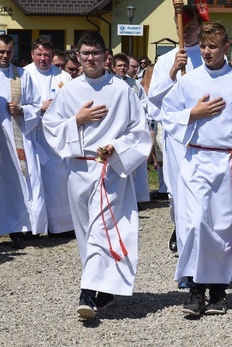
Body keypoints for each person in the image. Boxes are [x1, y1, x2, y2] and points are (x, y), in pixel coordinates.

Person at [162, 22, 232, 316]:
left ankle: (219, 292)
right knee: (195, 224)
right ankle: (195, 290)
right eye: (204, 46)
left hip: (229, 161)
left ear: (226, 49)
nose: (207, 51)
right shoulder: (188, 81)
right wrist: (193, 113)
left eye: (213, 46)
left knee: (224, 228)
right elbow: (167, 115)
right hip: (196, 161)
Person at [43, 31, 151, 319]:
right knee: (86, 233)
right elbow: (50, 126)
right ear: (78, 56)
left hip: (110, 170)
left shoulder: (122, 90)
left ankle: (87, 293)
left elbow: (139, 132)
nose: (90, 58)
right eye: (85, 53)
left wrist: (115, 147)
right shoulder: (69, 91)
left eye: (95, 53)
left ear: (106, 56)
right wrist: (77, 120)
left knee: (103, 230)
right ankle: (104, 291)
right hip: (78, 170)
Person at [147, 5, 204, 254]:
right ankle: (180, 229)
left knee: (200, 186)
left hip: (202, 133)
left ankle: (200, 233)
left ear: (200, 27)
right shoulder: (166, 59)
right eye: (181, 29)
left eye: (190, 28)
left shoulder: (207, 56)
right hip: (176, 136)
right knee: (176, 187)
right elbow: (154, 103)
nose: (186, 33)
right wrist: (172, 72)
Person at [0, 34, 44, 249]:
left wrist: (21, 109)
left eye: (9, 52)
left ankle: (16, 228)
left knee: (16, 183)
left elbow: (36, 105)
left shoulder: (22, 75)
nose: (5, 56)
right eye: (1, 51)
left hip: (16, 136)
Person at [23, 37, 74, 235]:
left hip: (54, 136)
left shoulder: (63, 77)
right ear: (32, 55)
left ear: (53, 56)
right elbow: (17, 104)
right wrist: (39, 106)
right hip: (32, 133)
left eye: (46, 55)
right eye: (39, 54)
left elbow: (71, 103)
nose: (43, 59)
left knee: (57, 179)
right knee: (32, 181)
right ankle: (32, 227)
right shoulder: (25, 73)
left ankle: (60, 226)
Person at [112, 52, 151, 204]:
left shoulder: (134, 84)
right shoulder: (111, 83)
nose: (122, 68)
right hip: (117, 128)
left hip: (132, 126)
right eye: (119, 65)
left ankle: (136, 196)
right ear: (114, 67)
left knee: (135, 163)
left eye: (125, 66)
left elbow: (144, 102)